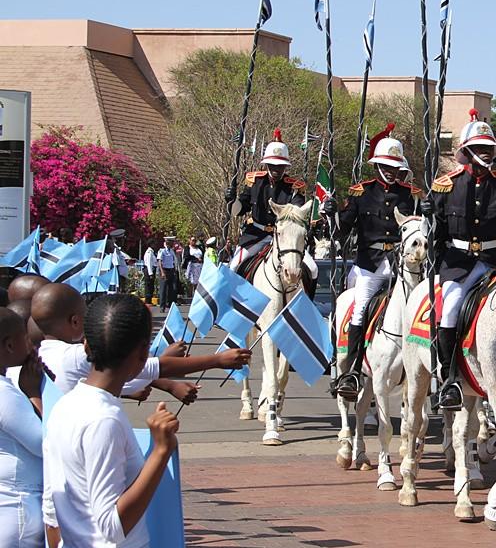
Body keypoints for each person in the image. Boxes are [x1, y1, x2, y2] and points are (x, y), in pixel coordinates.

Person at [40, 295, 175, 548]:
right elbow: (112, 525)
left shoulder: (67, 405)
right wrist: (160, 452)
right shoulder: (103, 419)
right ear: (143, 354)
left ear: (86, 345)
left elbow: (50, 510)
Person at [432, 111, 496, 411]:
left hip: (494, 260)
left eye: (489, 148)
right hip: (458, 263)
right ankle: (448, 380)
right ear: (468, 151)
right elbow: (438, 233)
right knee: (450, 310)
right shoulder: (446, 186)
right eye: (479, 147)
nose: (485, 152)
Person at [323, 127, 421, 395]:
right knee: (360, 308)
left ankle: (429, 369)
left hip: (403, 263)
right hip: (371, 264)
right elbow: (342, 229)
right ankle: (353, 371)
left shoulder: (410, 195)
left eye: (395, 166)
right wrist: (330, 214)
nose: (391, 171)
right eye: (386, 166)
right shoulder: (361, 193)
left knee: (423, 309)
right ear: (376, 165)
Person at [32, 283, 248, 403]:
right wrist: (218, 359)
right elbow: (148, 367)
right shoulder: (73, 356)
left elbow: (118, 374)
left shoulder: (39, 354)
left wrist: (128, 390)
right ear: (76, 321)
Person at [0, 308, 41, 548]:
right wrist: (34, 395)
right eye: (26, 339)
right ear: (9, 346)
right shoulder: (6, 394)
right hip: (13, 511)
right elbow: (45, 443)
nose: (32, 346)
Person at [226, 129, 310, 276]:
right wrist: (231, 201)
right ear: (266, 165)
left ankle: (307, 298)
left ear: (286, 166)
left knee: (313, 269)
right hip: (256, 235)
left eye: (280, 166)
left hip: (285, 238)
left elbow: (297, 209)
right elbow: (239, 210)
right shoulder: (255, 182)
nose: (277, 169)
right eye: (273, 165)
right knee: (233, 266)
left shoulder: (294, 187)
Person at [157, 237, 179, 312]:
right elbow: (160, 261)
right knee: (163, 289)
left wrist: (175, 271)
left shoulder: (172, 251)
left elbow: (174, 261)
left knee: (172, 289)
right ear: (167, 243)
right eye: (171, 242)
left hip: (171, 271)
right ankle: (162, 306)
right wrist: (162, 272)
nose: (173, 244)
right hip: (165, 271)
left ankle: (170, 305)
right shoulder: (162, 251)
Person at [142, 241, 157, 306]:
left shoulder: (152, 252)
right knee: (148, 285)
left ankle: (149, 300)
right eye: (154, 244)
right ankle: (147, 301)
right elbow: (149, 264)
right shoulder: (149, 253)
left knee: (151, 286)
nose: (155, 245)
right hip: (148, 270)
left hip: (151, 270)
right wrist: (150, 273)